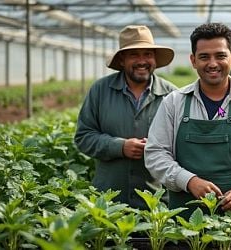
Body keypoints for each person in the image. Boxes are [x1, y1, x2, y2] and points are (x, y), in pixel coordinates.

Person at [144, 23, 231, 217]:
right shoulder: (174, 103)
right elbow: (155, 153)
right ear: (193, 60)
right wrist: (188, 181)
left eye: (220, 56)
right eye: (204, 57)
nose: (213, 63)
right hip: (185, 219)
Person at [74, 25, 177, 209]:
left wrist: (158, 149)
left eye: (147, 54)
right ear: (122, 59)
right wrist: (120, 147)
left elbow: (184, 145)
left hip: (156, 203)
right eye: (134, 55)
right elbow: (83, 137)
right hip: (108, 202)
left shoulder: (172, 95)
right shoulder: (100, 90)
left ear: (154, 58)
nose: (142, 61)